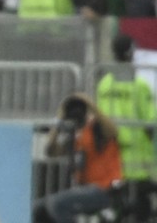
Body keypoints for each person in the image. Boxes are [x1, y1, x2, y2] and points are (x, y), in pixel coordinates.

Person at [33, 93, 123, 223]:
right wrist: (60, 119)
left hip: (105, 189)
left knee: (57, 204)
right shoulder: (75, 137)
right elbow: (50, 151)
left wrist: (89, 104)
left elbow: (113, 131)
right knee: (39, 208)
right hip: (85, 190)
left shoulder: (97, 129)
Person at [96, 33, 157, 220]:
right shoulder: (140, 86)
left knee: (117, 209)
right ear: (132, 53)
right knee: (141, 209)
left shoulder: (104, 84)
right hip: (139, 163)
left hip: (112, 159)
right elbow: (150, 123)